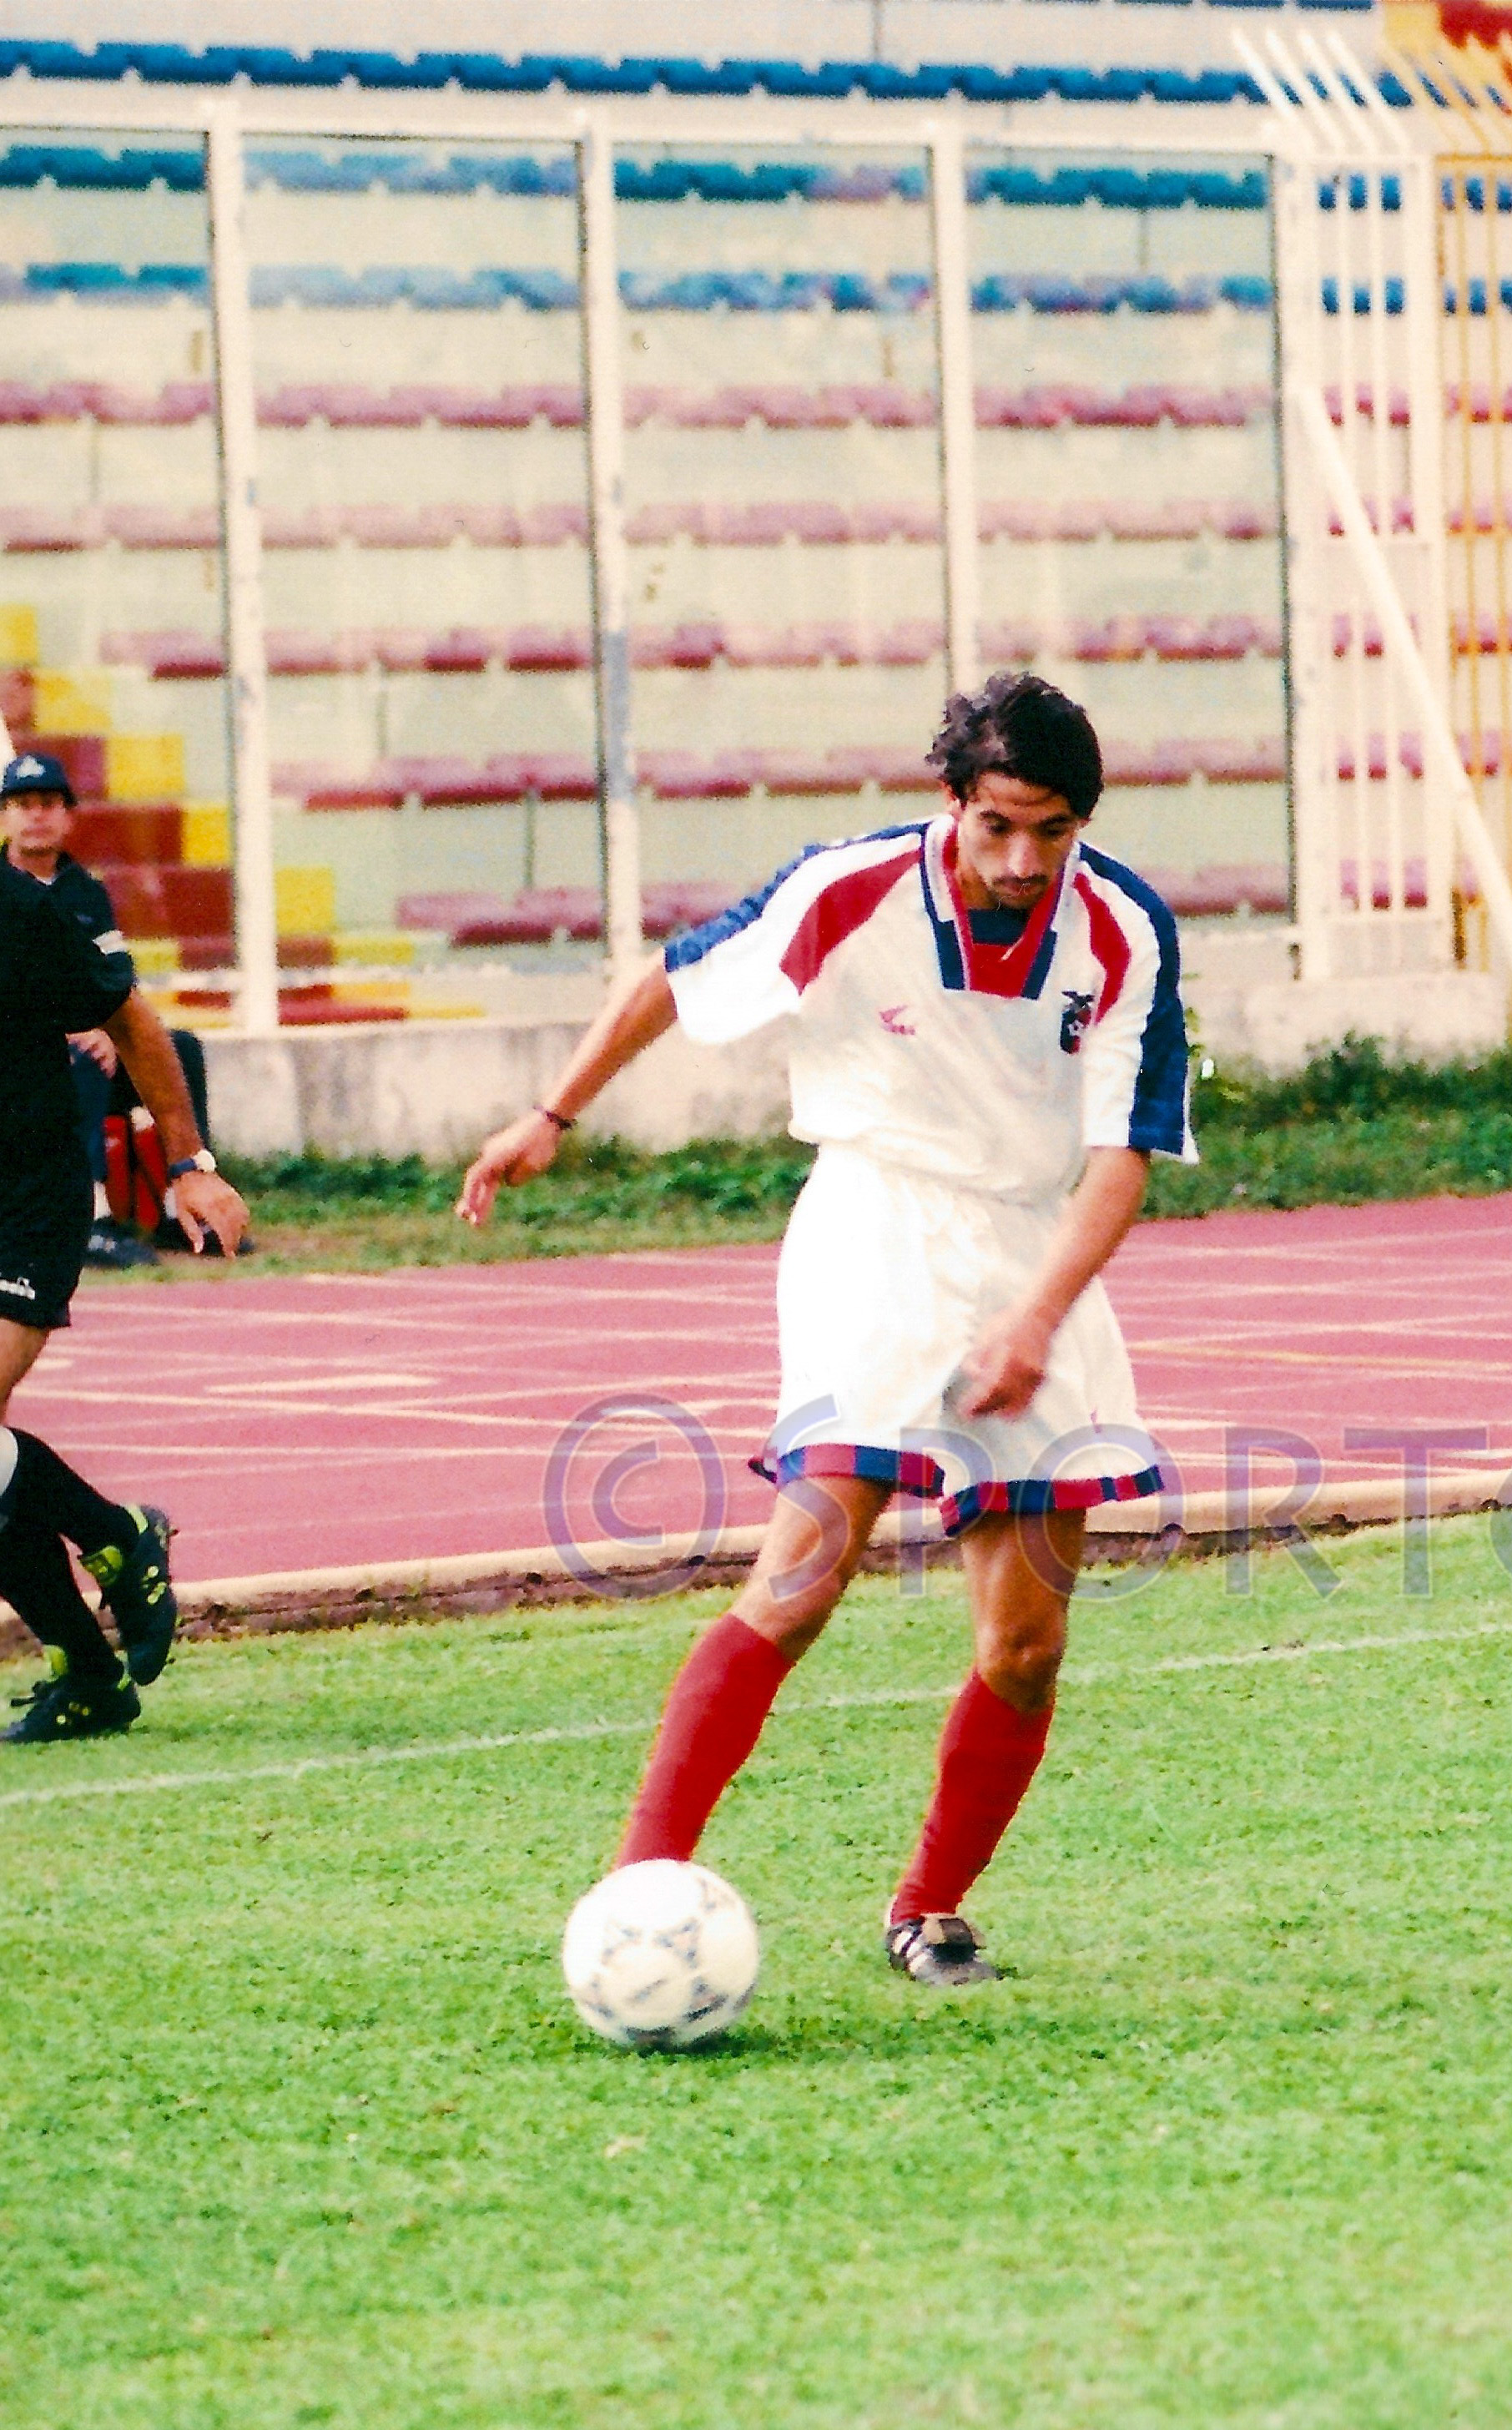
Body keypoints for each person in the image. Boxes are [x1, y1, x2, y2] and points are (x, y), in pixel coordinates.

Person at [456, 673, 1194, 1988]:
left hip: (1033, 1248)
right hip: (876, 1222)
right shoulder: (847, 890)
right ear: (953, 801)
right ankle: (641, 1890)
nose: (1024, 860)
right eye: (999, 825)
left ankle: (930, 1907)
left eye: (1054, 832)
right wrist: (550, 1115)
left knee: (1026, 1645)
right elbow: (673, 985)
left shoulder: (1126, 927)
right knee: (805, 1573)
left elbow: (1124, 1156)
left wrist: (1036, 1316)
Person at [0, 852, 243, 1742]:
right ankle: (100, 1625)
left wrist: (189, 1166)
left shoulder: (16, 909)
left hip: (22, 1201)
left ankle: (115, 1547)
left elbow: (133, 1020)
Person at [3, 750, 212, 1268]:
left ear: (69, 815)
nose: (36, 815)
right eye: (23, 803)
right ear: (4, 816)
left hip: (91, 1033)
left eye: (49, 803)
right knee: (85, 1060)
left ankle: (180, 1207)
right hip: (27, 1058)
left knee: (179, 1048)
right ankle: (92, 1218)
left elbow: (118, 984)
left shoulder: (87, 893)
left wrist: (103, 1027)